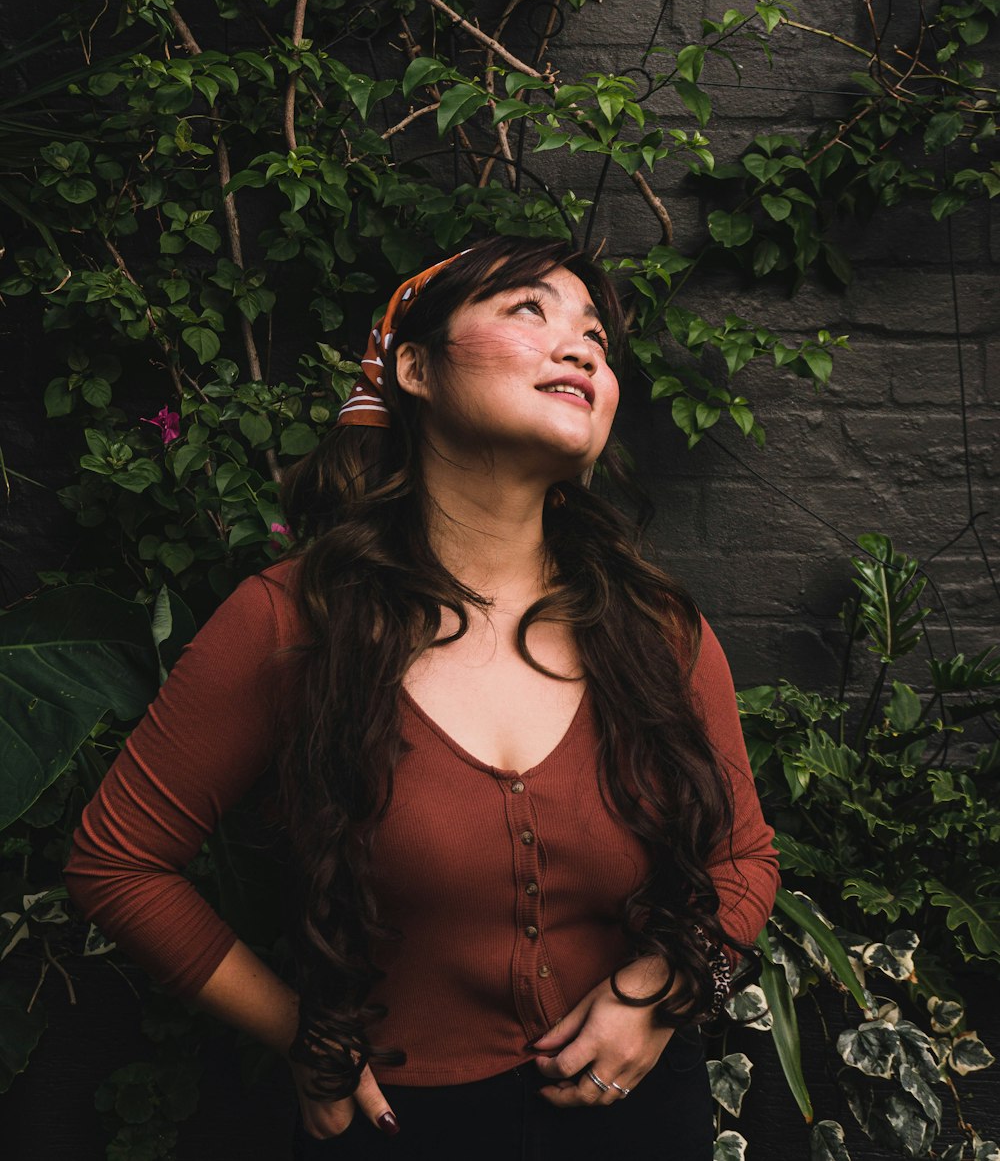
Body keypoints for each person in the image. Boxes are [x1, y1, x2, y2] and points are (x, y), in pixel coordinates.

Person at [65, 234, 779, 1161]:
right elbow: (116, 864)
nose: (583, 349)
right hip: (398, 1130)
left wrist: (663, 992)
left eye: (598, 337)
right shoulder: (291, 620)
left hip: (641, 1118)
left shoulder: (658, 630)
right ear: (413, 366)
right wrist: (301, 1032)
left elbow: (744, 856)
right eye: (531, 311)